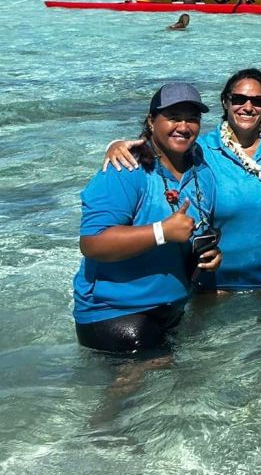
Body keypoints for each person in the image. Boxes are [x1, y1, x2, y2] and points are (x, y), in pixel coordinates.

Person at [102, 70, 261, 293]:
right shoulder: (200, 150)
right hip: (215, 287)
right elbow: (160, 151)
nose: (247, 107)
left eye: (257, 101)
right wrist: (115, 144)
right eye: (238, 99)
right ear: (225, 102)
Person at [73, 82, 222, 354]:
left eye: (192, 119)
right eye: (173, 117)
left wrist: (208, 254)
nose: (184, 126)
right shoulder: (125, 169)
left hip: (171, 306)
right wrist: (161, 232)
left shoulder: (200, 166)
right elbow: (92, 242)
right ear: (151, 121)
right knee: (150, 385)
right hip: (114, 312)